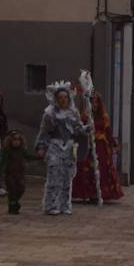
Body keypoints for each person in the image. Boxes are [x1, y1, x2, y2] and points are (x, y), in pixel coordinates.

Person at [35, 85, 85, 216]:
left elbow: (77, 129)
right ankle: (51, 205)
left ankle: (65, 205)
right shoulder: (50, 114)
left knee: (67, 178)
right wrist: (41, 146)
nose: (63, 100)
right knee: (54, 176)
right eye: (60, 97)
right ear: (56, 99)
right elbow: (44, 132)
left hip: (69, 148)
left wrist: (86, 129)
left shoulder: (73, 113)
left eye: (65, 97)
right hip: (55, 147)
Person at [71, 93, 125, 203]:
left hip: (101, 147)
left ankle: (99, 193)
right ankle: (88, 193)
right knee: (86, 168)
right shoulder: (84, 116)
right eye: (92, 102)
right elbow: (78, 130)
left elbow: (108, 132)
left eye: (96, 102)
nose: (94, 104)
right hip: (88, 146)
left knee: (101, 168)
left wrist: (114, 144)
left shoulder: (104, 117)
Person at [0, 129, 37, 214]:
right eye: (14, 139)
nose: (16, 142)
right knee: (12, 191)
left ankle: (14, 203)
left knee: (21, 189)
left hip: (19, 173)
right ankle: (12, 207)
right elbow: (2, 162)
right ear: (10, 140)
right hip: (10, 174)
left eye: (18, 139)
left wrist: (40, 157)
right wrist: (0, 173)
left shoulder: (21, 150)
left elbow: (28, 156)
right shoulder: (6, 150)